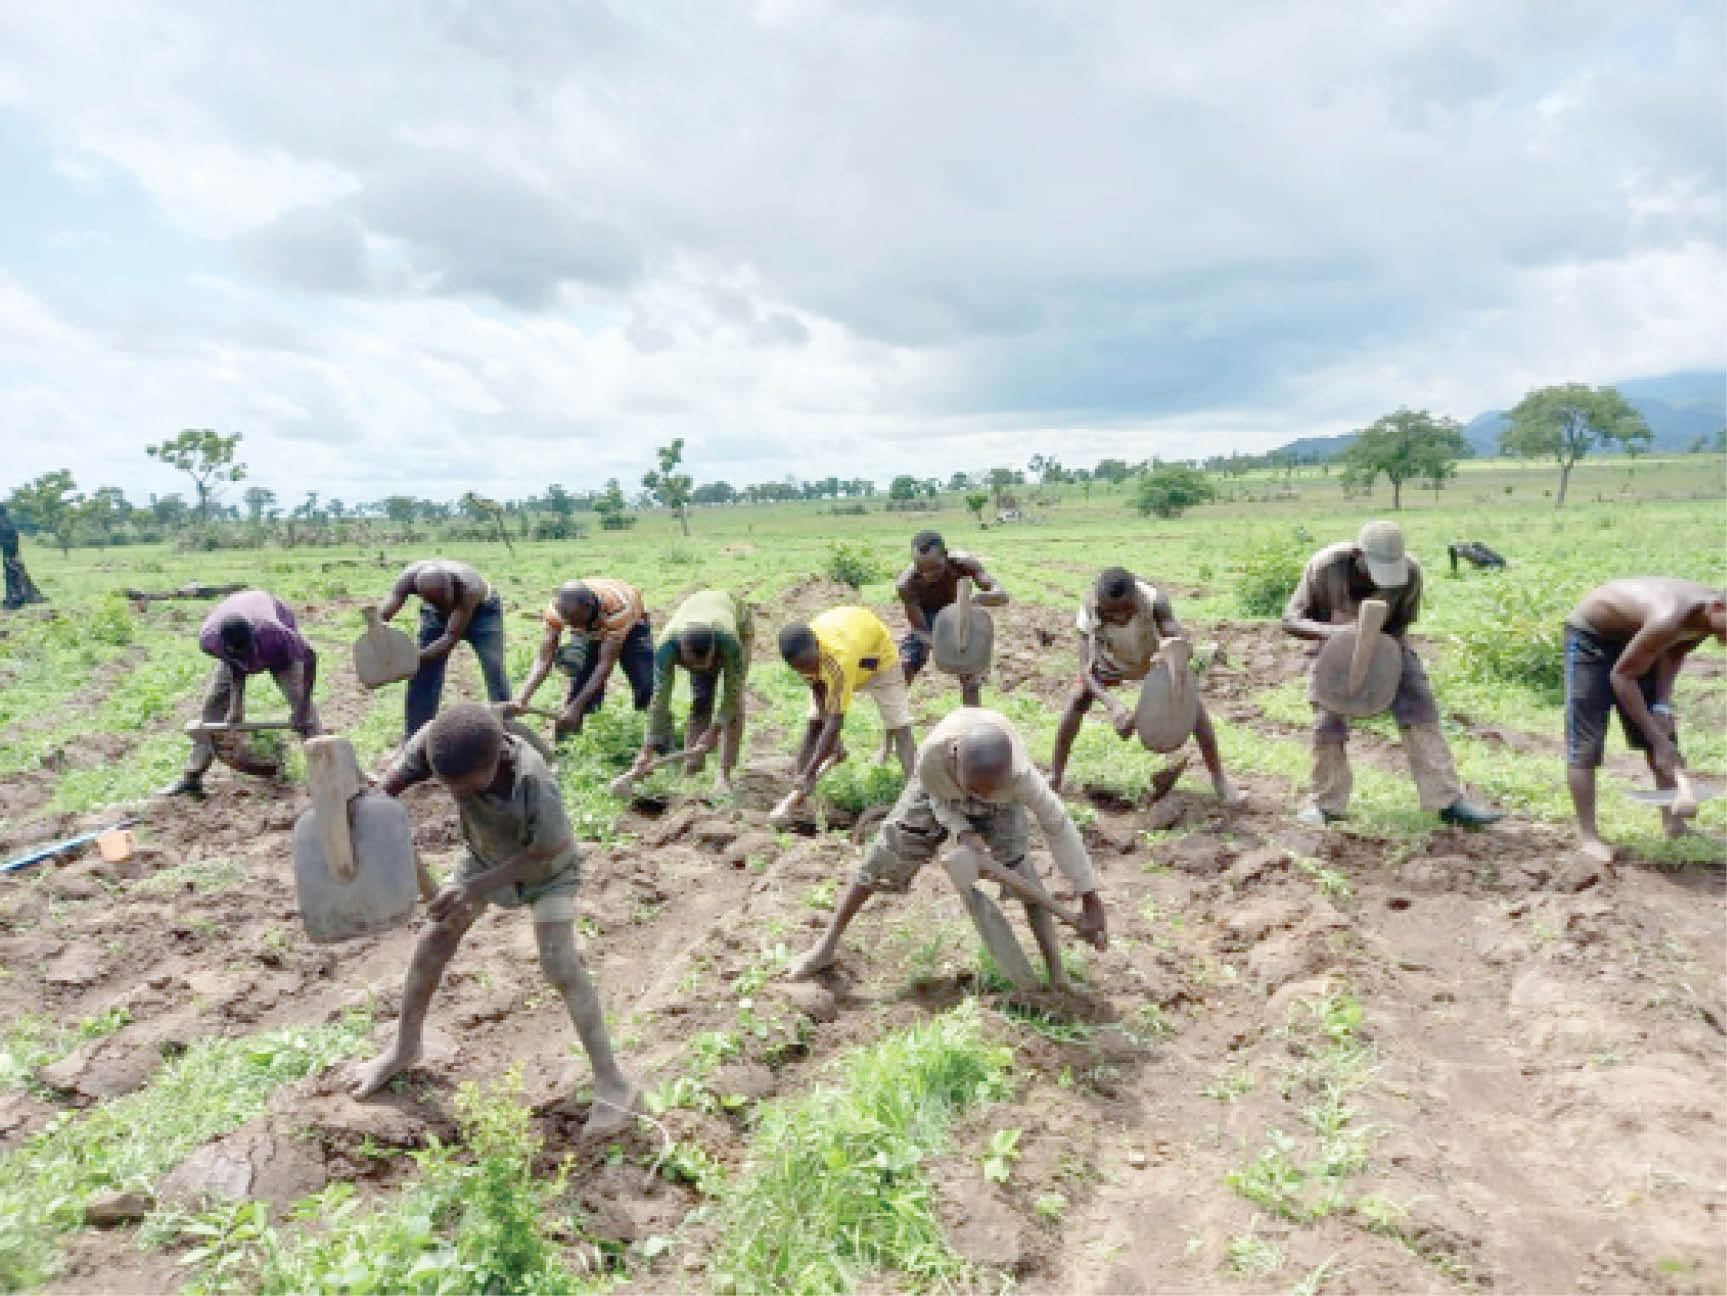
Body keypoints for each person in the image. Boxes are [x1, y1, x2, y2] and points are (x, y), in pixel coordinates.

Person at [350, 703, 638, 1136]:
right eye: (451, 790)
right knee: (433, 941)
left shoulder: (533, 781)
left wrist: (475, 888)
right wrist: (370, 805)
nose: (459, 797)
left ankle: (613, 1082)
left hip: (547, 871)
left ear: (496, 762)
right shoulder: (439, 742)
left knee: (560, 965)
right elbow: (391, 787)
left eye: (467, 790)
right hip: (483, 856)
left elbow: (547, 851)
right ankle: (404, 1047)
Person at [787, 708, 1107, 987]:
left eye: (988, 790)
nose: (979, 798)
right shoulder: (933, 759)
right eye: (974, 789)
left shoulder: (1020, 777)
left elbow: (1059, 827)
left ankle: (1057, 974)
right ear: (956, 760)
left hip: (1003, 804)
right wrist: (963, 831)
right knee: (885, 853)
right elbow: (939, 800)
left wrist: (1090, 897)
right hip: (937, 794)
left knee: (1022, 870)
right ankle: (826, 945)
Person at [1282, 520, 1500, 829]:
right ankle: (1327, 805)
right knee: (1327, 720)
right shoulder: (1325, 566)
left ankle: (1447, 801)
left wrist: (1379, 659)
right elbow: (1291, 619)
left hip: (1388, 644)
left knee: (1420, 709)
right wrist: (1341, 635)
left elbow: (1400, 625)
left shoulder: (1409, 572)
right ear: (1358, 554)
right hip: (1331, 646)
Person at [1562, 578, 1726, 862]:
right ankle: (1588, 836)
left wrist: (1661, 706)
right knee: (1586, 741)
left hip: (1639, 637)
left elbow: (1673, 652)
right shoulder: (1669, 617)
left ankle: (1675, 824)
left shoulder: (1705, 620)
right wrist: (1657, 741)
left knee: (1662, 729)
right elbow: (1622, 677)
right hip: (1591, 637)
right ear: (1718, 607)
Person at [1048, 568, 1241, 804]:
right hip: (1110, 662)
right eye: (1111, 613)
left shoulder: (1154, 601)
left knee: (1194, 707)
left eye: (1126, 611)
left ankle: (1219, 778)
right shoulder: (1088, 607)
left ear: (1135, 597)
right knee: (1078, 698)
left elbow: (1179, 645)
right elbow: (1086, 671)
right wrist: (1114, 706)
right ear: (1100, 602)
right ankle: (1055, 776)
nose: (1119, 618)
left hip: (1152, 660)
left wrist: (1173, 661)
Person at [162, 589, 320, 797]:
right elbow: (235, 664)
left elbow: (310, 657)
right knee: (213, 707)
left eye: (248, 652)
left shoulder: (275, 633)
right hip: (237, 636)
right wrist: (236, 705)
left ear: (253, 638)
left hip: (275, 647)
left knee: (299, 700)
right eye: (238, 654)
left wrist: (303, 707)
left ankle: (324, 771)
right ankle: (192, 778)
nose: (247, 660)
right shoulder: (210, 640)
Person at [776, 606, 916, 811]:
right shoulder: (801, 655)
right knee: (814, 723)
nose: (809, 670)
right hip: (848, 647)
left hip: (877, 661)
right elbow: (818, 689)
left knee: (899, 725)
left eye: (811, 665)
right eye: (802, 668)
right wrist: (833, 745)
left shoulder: (836, 658)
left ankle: (915, 796)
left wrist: (814, 770)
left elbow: (834, 722)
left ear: (817, 646)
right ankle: (799, 792)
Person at [615, 589, 752, 796]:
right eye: (694, 667)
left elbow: (732, 692)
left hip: (737, 618)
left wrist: (716, 729)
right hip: (696, 615)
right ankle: (692, 768)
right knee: (701, 699)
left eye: (706, 664)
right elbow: (659, 701)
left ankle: (724, 774)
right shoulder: (666, 648)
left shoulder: (729, 641)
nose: (703, 670)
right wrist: (647, 750)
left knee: (735, 702)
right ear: (683, 654)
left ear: (714, 652)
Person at [377, 559, 508, 742]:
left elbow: (448, 639)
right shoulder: (409, 578)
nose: (446, 607)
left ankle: (507, 731)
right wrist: (376, 632)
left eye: (446, 601)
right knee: (423, 674)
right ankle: (414, 738)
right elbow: (386, 611)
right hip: (434, 617)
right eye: (437, 603)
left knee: (494, 668)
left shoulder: (469, 587)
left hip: (482, 613)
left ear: (452, 587)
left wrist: (410, 658)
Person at [512, 579, 653, 738]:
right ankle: (568, 743)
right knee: (582, 685)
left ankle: (652, 735)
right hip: (594, 625)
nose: (573, 626)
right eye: (569, 623)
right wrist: (522, 698)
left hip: (631, 625)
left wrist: (575, 708)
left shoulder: (618, 609)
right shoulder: (558, 611)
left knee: (645, 683)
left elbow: (604, 665)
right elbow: (544, 659)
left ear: (588, 606)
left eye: (575, 620)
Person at [895, 530, 1009, 707]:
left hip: (960, 612)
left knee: (970, 673)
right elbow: (919, 629)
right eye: (922, 570)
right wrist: (942, 647)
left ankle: (971, 718)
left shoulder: (963, 563)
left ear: (946, 555)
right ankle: (896, 718)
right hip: (927, 618)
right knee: (906, 664)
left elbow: (1002, 595)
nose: (928, 575)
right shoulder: (906, 584)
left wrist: (979, 599)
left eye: (935, 569)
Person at [0, 504, 44, 609]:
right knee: (15, 569)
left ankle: (17, 597)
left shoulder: (3, 523)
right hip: (11, 546)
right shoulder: (6, 521)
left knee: (12, 571)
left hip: (8, 546)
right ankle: (21, 595)